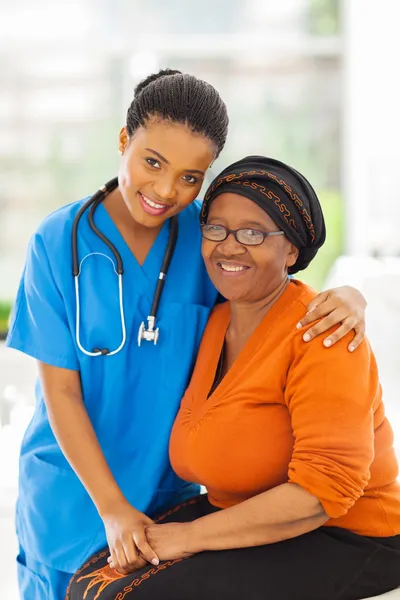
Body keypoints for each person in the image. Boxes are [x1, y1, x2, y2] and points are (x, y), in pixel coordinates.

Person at [6, 69, 366, 600]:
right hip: (70, 495)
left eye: (190, 177)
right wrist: (112, 508)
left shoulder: (207, 239)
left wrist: (351, 296)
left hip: (168, 499)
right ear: (124, 140)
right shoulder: (58, 241)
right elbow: (59, 391)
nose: (166, 191)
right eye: (152, 162)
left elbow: (272, 291)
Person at [67, 156, 400, 600]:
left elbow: (324, 493)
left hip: (348, 533)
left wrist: (187, 537)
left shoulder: (324, 334)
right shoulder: (216, 320)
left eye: (253, 233)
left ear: (292, 251)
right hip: (237, 510)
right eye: (216, 228)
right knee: (91, 582)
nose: (229, 246)